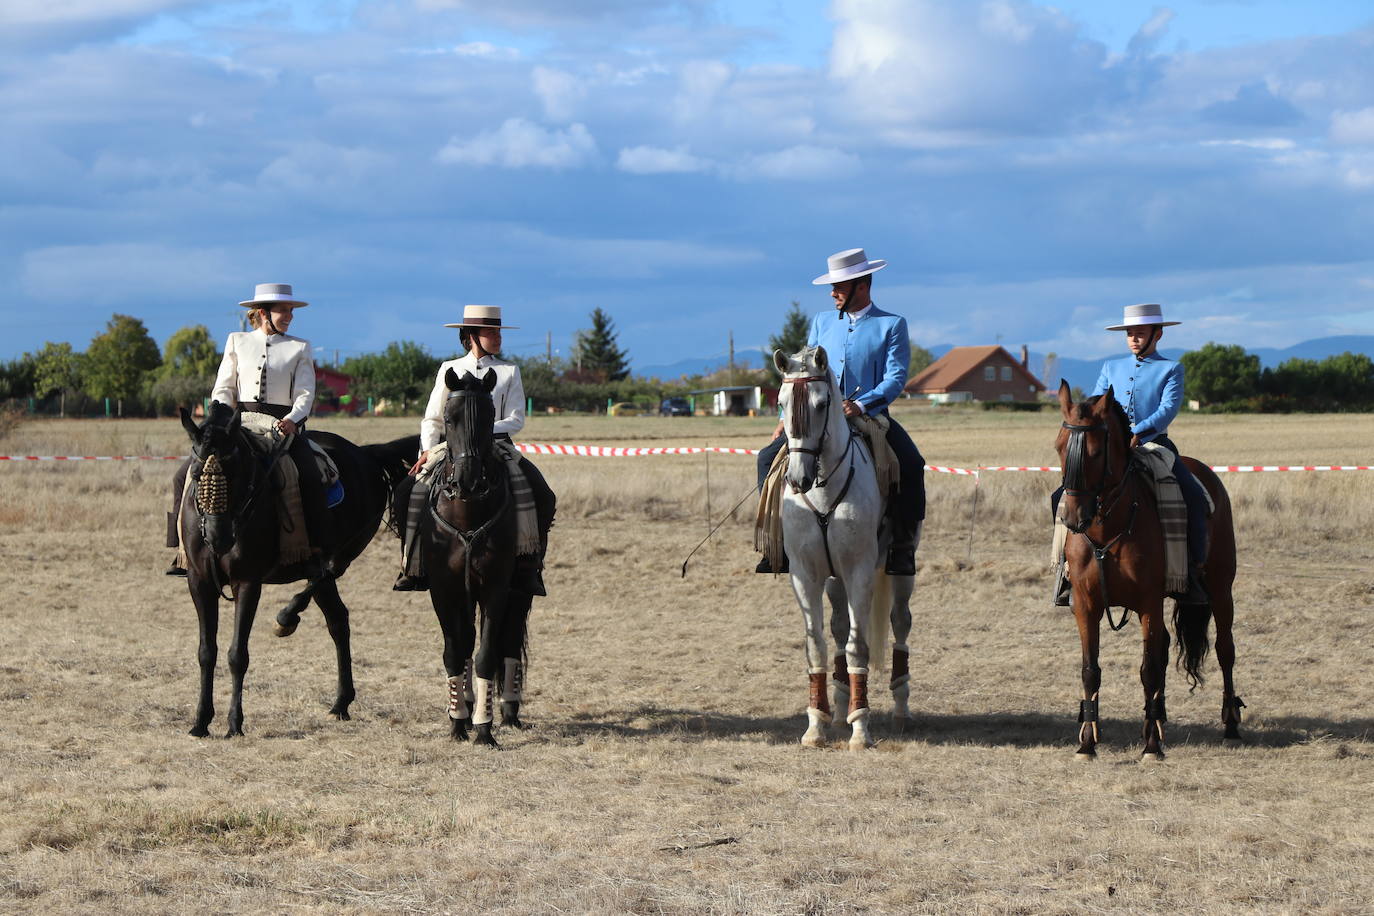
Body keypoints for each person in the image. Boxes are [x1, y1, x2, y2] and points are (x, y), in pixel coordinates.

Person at [755, 248, 925, 576]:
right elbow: (802, 374)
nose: (833, 293)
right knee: (765, 458)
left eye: (840, 287)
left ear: (862, 286)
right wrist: (782, 420)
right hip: (817, 418)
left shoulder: (891, 325)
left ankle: (901, 546)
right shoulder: (821, 322)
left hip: (871, 415)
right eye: (832, 287)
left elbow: (895, 378)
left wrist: (861, 403)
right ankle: (777, 542)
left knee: (912, 464)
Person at [165, 282, 328, 575]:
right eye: (284, 310)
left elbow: (305, 392)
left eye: (291, 311)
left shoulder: (300, 347)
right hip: (239, 422)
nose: (290, 316)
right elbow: (223, 387)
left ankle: (313, 549)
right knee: (182, 476)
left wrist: (293, 418)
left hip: (283, 426)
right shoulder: (237, 341)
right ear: (263, 313)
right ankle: (181, 550)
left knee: (309, 473)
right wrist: (220, 418)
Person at [1052, 302, 1209, 605]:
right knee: (1060, 496)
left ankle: (1192, 572)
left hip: (1153, 445)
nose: (1134, 338)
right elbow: (1097, 403)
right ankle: (1066, 573)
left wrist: (1140, 431)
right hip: (1110, 448)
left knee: (1192, 494)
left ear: (1157, 334)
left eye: (1140, 333)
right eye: (1130, 333)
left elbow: (1167, 409)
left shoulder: (1171, 369)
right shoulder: (1111, 367)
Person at [392, 305, 555, 594]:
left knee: (541, 493)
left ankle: (530, 565)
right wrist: (427, 451)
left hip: (498, 446)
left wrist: (479, 429)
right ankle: (412, 564)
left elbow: (516, 419)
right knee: (407, 491)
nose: (497, 337)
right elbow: (432, 417)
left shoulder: (509, 371)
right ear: (471, 336)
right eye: (490, 332)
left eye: (498, 332)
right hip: (451, 447)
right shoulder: (448, 369)